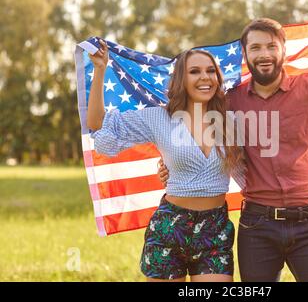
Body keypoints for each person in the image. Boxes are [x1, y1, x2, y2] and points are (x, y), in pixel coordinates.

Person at [158, 1, 308, 282]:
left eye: (270, 46)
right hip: (257, 226)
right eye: (255, 48)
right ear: (246, 54)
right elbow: (191, 135)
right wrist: (168, 163)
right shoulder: (230, 102)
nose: (264, 54)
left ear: (283, 50)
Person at [87, 42, 245, 282]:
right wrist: (100, 70)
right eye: (195, 71)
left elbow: (271, 156)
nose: (205, 77)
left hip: (215, 229)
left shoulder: (232, 120)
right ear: (181, 79)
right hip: (169, 228)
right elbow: (99, 126)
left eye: (210, 71)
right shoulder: (159, 117)